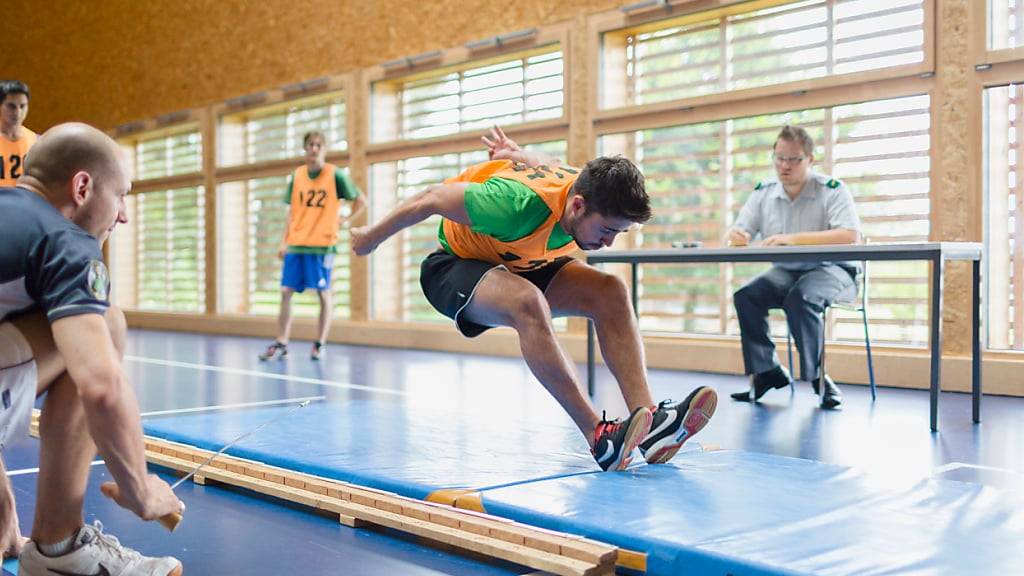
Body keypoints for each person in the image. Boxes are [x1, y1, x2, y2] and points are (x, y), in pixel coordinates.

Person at [351, 126, 717, 471]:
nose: (608, 243)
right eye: (606, 230)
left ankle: (649, 424)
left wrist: (516, 153)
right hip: (455, 265)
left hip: (519, 259)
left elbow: (546, 163)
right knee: (528, 303)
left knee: (611, 292)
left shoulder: (579, 184)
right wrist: (370, 237)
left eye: (618, 233)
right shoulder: (512, 205)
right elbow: (429, 198)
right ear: (577, 205)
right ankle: (600, 438)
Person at [0, 123, 183, 574]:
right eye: (121, 196)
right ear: (82, 186)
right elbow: (100, 384)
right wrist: (140, 488)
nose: (123, 216)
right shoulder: (65, 241)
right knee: (106, 321)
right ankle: (59, 552)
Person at [725, 125, 862, 409]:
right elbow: (740, 230)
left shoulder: (832, 190)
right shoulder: (764, 192)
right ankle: (766, 372)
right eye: (779, 158)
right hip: (786, 272)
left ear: (810, 159)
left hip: (833, 269)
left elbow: (849, 235)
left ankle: (818, 379)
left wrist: (791, 239)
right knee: (746, 296)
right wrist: (737, 236)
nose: (785, 166)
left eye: (794, 159)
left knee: (801, 298)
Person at [258, 131, 366, 361]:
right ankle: (282, 342)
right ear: (305, 149)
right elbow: (291, 212)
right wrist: (283, 241)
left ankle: (320, 343)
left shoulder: (335, 175)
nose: (314, 149)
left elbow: (361, 201)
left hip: (322, 245)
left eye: (318, 145)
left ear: (324, 149)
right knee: (286, 292)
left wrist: (343, 221)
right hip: (296, 243)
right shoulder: (297, 176)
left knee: (323, 293)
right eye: (310, 145)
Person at [0, 80, 37, 188]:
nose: (17, 113)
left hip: (25, 200)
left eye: (22, 106)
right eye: (11, 106)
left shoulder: (36, 141)